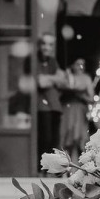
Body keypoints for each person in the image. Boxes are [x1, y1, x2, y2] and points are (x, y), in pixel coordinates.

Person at [31, 33, 67, 169]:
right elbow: (41, 82)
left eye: (50, 44)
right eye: (44, 44)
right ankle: (41, 168)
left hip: (55, 106)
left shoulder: (52, 61)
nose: (47, 47)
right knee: (45, 139)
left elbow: (63, 81)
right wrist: (55, 78)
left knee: (54, 140)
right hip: (42, 106)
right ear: (39, 45)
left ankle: (50, 168)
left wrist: (50, 78)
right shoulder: (34, 60)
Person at [60, 58, 94, 162]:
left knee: (80, 138)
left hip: (79, 111)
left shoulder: (86, 78)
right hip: (66, 110)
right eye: (77, 64)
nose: (80, 67)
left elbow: (91, 98)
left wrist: (80, 95)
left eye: (82, 64)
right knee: (66, 137)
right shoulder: (66, 77)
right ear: (72, 65)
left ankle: (81, 165)